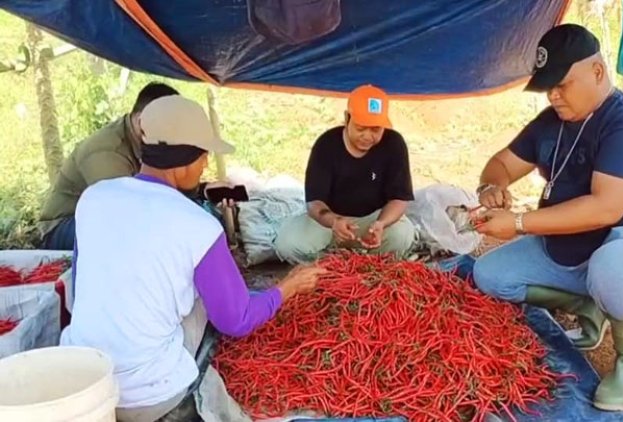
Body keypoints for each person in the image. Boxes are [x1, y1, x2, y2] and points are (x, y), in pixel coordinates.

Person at [60, 94, 327, 422]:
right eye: (202, 159)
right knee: (206, 298)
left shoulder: (94, 197)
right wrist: (288, 287)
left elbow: (81, 277)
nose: (204, 168)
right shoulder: (198, 225)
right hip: (149, 396)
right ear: (185, 162)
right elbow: (236, 320)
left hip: (82, 385)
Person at [471, 24, 623, 411]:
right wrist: (492, 188)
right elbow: (501, 163)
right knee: (490, 276)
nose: (553, 95)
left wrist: (518, 223)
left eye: (562, 84)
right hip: (569, 245)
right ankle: (592, 306)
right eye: (547, 86)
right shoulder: (551, 122)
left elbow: (606, 208)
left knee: (613, 267)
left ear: (598, 72)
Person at [38, 82, 228, 251]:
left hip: (109, 217)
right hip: (63, 227)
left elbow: (163, 189)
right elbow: (126, 213)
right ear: (140, 121)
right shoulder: (106, 151)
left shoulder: (153, 143)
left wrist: (203, 191)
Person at [274, 84, 416, 264]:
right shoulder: (326, 144)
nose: (367, 136)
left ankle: (367, 265)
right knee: (288, 244)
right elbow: (314, 204)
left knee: (402, 236)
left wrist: (381, 224)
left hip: (372, 221)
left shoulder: (394, 143)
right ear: (347, 118)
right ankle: (333, 267)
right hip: (330, 222)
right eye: (360, 128)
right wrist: (335, 222)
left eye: (375, 130)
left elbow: (399, 199)